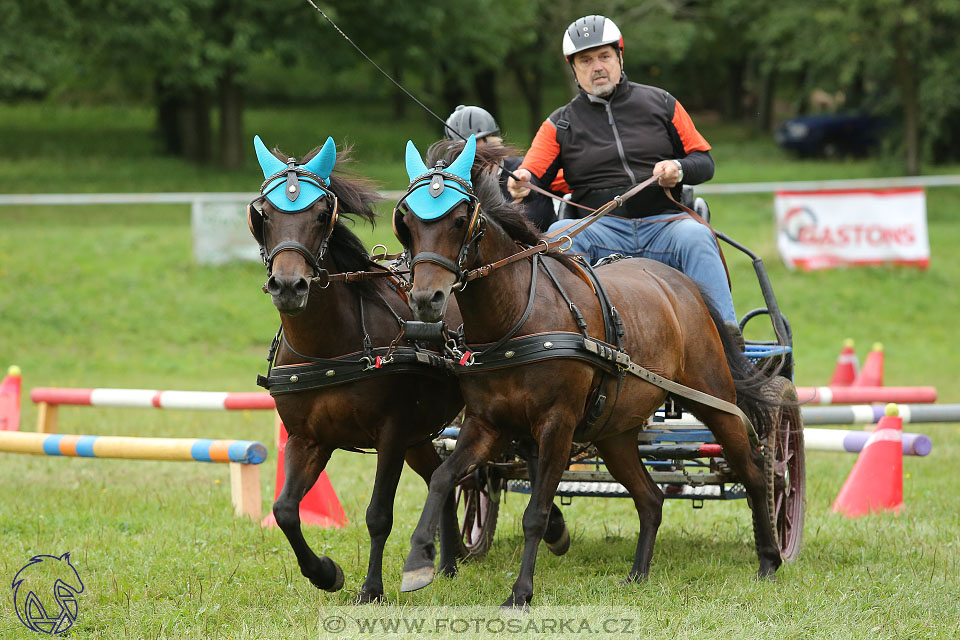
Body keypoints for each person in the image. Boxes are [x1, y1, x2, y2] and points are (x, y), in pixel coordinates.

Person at [507, 15, 741, 337]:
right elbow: (531, 173)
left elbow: (704, 161)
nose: (597, 67)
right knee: (560, 234)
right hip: (601, 229)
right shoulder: (559, 124)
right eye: (586, 60)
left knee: (697, 236)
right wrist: (520, 180)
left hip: (665, 226)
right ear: (574, 69)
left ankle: (727, 340)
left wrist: (679, 169)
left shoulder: (661, 102)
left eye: (604, 56)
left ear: (620, 56)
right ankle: (575, 340)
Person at [444, 104, 562, 232]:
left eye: (474, 143)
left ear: (490, 140)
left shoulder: (528, 167)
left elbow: (571, 183)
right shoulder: (460, 187)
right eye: (460, 148)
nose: (467, 151)